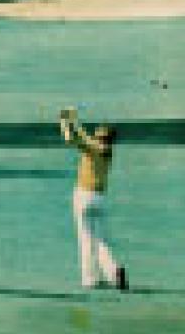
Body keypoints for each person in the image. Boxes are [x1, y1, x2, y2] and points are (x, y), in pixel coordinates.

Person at [59, 107, 127, 291]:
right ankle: (114, 271)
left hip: (83, 196)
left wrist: (65, 121)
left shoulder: (92, 148)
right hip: (100, 198)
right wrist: (73, 121)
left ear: (100, 137)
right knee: (101, 240)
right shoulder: (107, 151)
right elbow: (82, 137)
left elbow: (70, 139)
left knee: (86, 239)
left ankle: (90, 280)